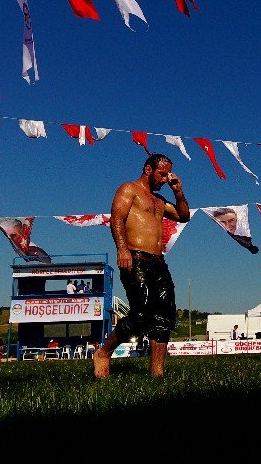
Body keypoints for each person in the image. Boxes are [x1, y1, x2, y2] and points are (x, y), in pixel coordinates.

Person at [93, 154, 190, 379]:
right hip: (135, 256)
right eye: (162, 174)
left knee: (164, 316)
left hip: (158, 261)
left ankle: (157, 372)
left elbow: (184, 216)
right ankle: (104, 353)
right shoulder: (129, 189)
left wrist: (177, 192)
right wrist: (122, 249)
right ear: (148, 170)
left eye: (168, 175)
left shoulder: (159, 200)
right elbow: (116, 219)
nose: (165, 179)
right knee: (141, 313)